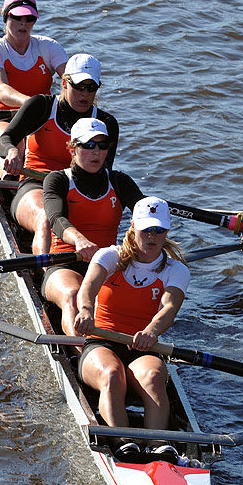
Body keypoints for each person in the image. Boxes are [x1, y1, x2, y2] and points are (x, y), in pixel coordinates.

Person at [73, 197, 189, 461]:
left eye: (159, 230)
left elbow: (169, 309)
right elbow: (88, 288)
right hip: (101, 340)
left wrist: (151, 331)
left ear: (167, 231)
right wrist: (86, 311)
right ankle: (123, 443)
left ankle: (159, 445)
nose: (152, 236)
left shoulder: (176, 269)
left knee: (154, 377)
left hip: (143, 345)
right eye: (146, 229)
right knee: (113, 375)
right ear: (133, 226)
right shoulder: (109, 256)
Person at [0, 53, 119, 254]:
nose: (85, 94)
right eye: (78, 86)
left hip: (78, 189)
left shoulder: (106, 124)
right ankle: (44, 277)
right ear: (64, 82)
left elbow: (104, 171)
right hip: (36, 183)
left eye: (91, 88)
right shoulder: (41, 106)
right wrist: (11, 152)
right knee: (45, 218)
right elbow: (6, 138)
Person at [42, 117, 144, 337]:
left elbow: (145, 215)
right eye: (88, 145)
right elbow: (56, 219)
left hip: (105, 264)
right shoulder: (57, 180)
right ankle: (81, 351)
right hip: (66, 261)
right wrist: (79, 240)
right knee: (73, 294)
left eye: (102, 145)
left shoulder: (120, 181)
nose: (96, 151)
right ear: (72, 148)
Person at [0, 0, 68, 162]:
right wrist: (33, 104)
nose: (23, 24)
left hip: (40, 120)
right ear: (6, 16)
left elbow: (70, 81)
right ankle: (10, 183)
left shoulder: (49, 47)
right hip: (0, 120)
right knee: (15, 145)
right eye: (17, 18)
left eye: (29, 19)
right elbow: (1, 90)